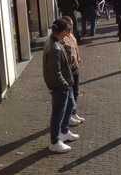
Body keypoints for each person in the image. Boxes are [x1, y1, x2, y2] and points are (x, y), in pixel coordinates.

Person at [43, 19, 79, 153]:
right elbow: (55, 73)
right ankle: (55, 142)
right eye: (66, 31)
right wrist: (64, 86)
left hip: (66, 85)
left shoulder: (54, 42)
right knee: (58, 114)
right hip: (60, 87)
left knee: (69, 107)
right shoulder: (55, 48)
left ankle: (64, 132)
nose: (67, 34)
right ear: (63, 31)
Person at [60, 16, 86, 126]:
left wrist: (78, 60)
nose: (71, 28)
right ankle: (68, 116)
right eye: (69, 25)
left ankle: (73, 113)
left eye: (72, 25)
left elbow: (75, 49)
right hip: (68, 70)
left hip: (75, 68)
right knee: (68, 96)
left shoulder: (71, 36)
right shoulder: (61, 39)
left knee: (75, 91)